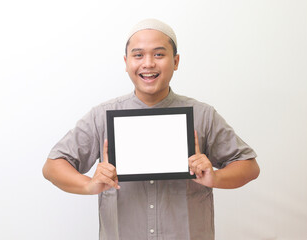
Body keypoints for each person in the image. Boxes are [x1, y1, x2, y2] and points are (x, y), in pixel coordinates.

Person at [43, 18, 260, 240]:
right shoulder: (101, 116)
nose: (148, 63)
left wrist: (216, 177)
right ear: (126, 62)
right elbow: (52, 166)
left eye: (159, 54)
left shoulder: (203, 115)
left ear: (175, 61)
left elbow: (249, 166)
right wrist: (89, 185)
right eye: (138, 55)